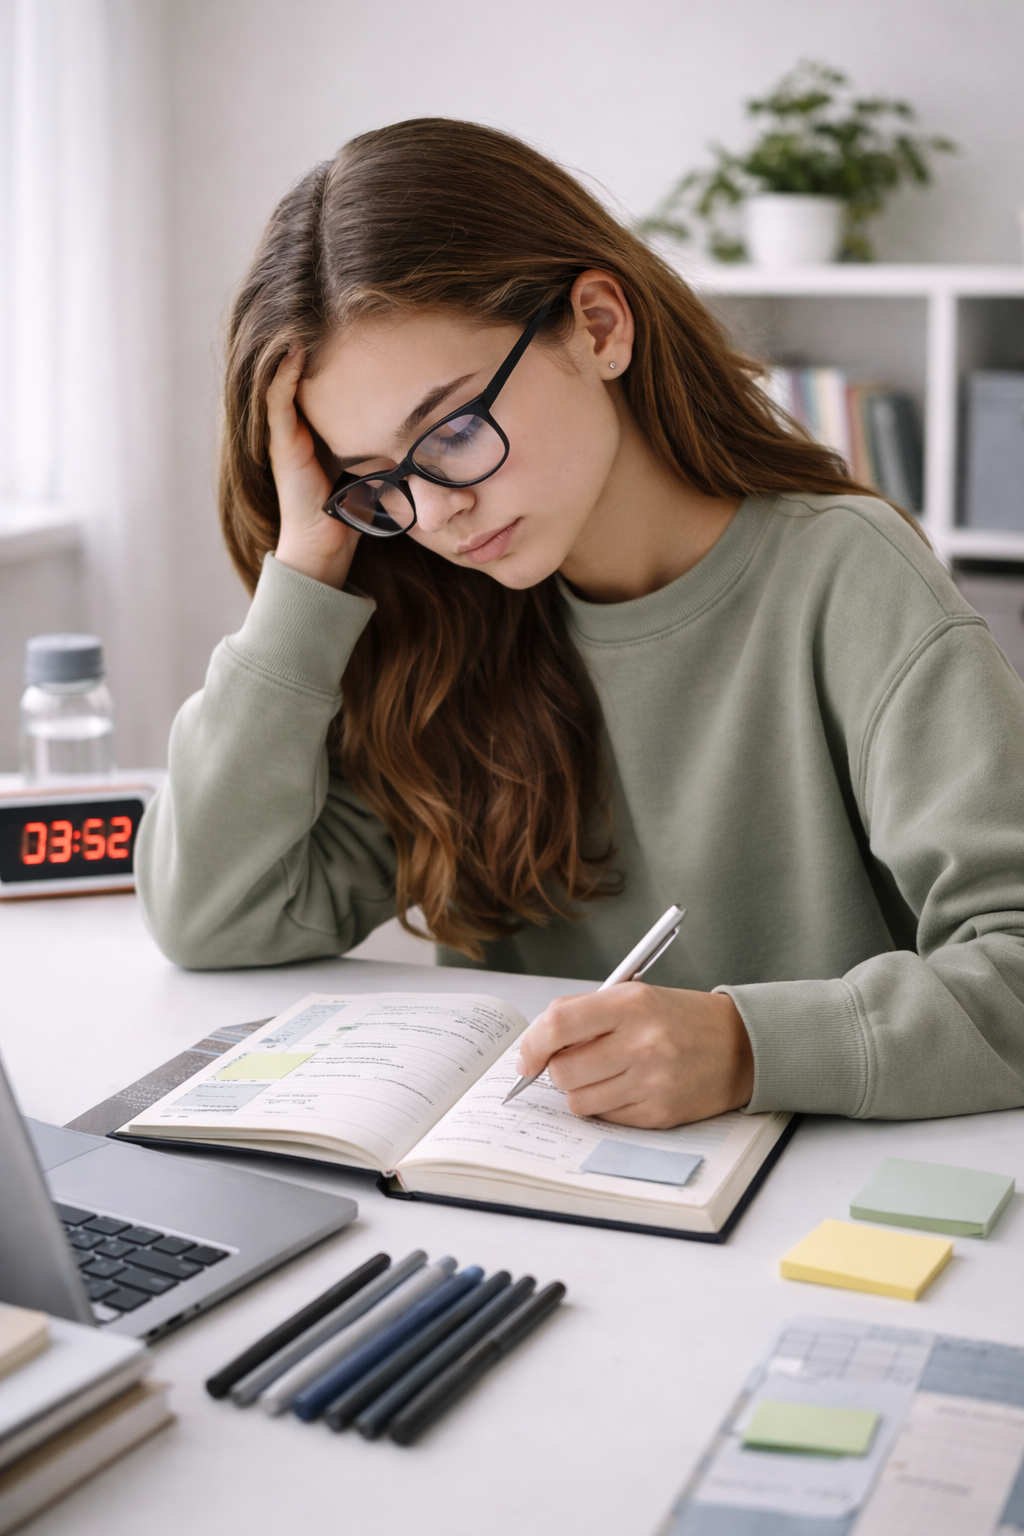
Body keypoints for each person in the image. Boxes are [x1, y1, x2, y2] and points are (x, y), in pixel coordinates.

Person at [136, 118, 1024, 1131]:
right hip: (550, 1218)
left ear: (599, 326)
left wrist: (746, 1049)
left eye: (455, 431)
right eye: (374, 481)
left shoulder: (845, 577)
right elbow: (211, 918)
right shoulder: (438, 627)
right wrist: (305, 566)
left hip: (823, 1214)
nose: (432, 515)